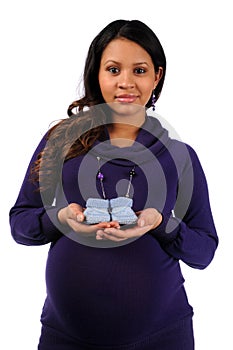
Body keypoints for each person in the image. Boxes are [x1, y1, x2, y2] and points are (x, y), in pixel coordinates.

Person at [9, 19, 218, 350]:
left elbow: (204, 250)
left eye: (139, 70)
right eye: (113, 69)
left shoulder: (179, 157)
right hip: (65, 338)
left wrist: (160, 223)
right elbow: (20, 225)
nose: (126, 82)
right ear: (98, 74)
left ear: (156, 77)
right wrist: (60, 218)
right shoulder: (62, 141)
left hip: (162, 338)